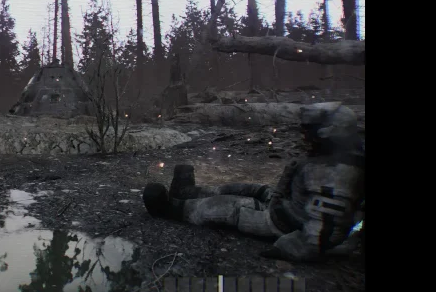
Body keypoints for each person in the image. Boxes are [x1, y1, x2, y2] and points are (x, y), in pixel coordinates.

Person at [143, 102, 365, 262]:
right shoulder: (337, 162)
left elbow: (325, 227)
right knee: (246, 188)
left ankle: (173, 208)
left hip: (285, 222)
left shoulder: (336, 172)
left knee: (228, 207)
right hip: (290, 206)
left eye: (311, 132)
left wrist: (292, 248)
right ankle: (189, 192)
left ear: (330, 134)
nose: (305, 137)